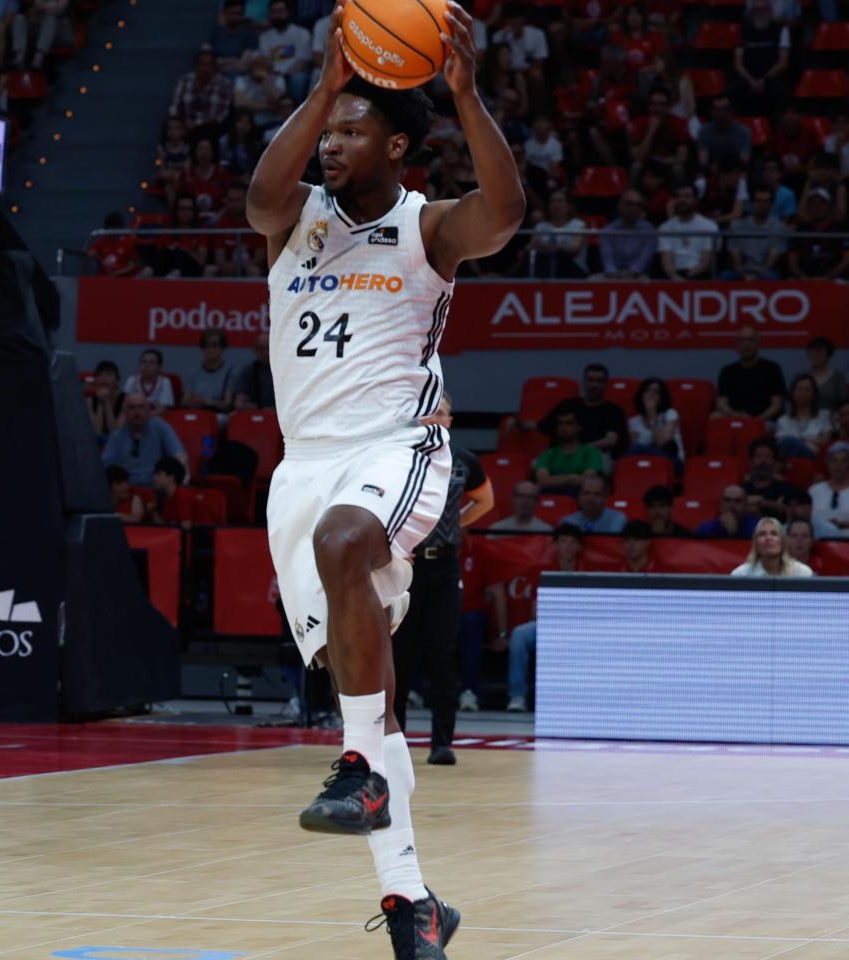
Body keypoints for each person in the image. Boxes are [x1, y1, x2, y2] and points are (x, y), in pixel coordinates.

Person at [245, 0, 523, 948]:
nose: (331, 144)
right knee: (358, 683)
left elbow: (506, 215)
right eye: (328, 131)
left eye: (351, 131)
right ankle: (413, 902)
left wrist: (467, 94)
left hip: (397, 444)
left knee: (344, 545)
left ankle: (360, 770)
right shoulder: (293, 221)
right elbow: (259, 198)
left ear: (398, 147)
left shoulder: (426, 227)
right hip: (305, 466)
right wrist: (326, 84)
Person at [390, 396, 491, 768]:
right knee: (400, 655)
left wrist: (452, 526)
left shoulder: (464, 461)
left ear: (450, 420)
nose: (434, 417)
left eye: (441, 412)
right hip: (407, 566)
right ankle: (394, 743)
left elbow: (485, 501)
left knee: (442, 654)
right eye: (428, 412)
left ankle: (442, 743)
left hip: (445, 567)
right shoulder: (400, 457)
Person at [503, 523, 584, 712]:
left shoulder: (587, 571)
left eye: (572, 542)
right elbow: (535, 611)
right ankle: (517, 696)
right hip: (549, 625)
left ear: (579, 547)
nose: (568, 546)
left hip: (578, 628)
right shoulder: (543, 572)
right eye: (563, 541)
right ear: (555, 545)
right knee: (520, 634)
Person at [101, 394, 187, 487]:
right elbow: (106, 465)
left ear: (148, 410)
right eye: (132, 408)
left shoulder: (160, 427)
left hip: (157, 488)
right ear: (125, 413)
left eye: (141, 407)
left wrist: (178, 481)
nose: (137, 412)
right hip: (128, 488)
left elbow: (179, 456)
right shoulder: (117, 436)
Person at [716, 326, 786, 419]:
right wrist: (736, 415)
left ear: (758, 344)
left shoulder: (772, 369)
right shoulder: (727, 372)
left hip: (765, 420)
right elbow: (721, 403)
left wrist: (757, 420)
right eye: (742, 340)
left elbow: (777, 404)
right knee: (714, 417)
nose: (746, 344)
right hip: (736, 419)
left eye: (751, 340)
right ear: (736, 345)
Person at [533, 410, 603, 494]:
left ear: (579, 427)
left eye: (569, 423)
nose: (563, 427)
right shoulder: (548, 453)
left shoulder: (591, 452)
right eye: (560, 423)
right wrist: (570, 478)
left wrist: (554, 480)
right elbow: (542, 481)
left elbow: (586, 480)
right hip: (552, 494)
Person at [627, 377, 684, 466]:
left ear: (661, 398)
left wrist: (652, 413)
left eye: (656, 392)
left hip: (671, 462)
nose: (651, 394)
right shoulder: (633, 421)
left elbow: (660, 443)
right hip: (644, 463)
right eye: (647, 391)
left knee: (637, 448)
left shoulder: (670, 414)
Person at [730, 515, 813, 576]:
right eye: (762, 534)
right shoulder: (740, 575)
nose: (768, 538)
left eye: (774, 534)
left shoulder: (802, 573)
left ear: (783, 541)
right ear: (756, 543)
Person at [183, 329, 239, 415]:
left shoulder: (230, 372)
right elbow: (184, 401)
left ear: (222, 348)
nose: (209, 349)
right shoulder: (193, 372)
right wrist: (192, 401)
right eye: (206, 345)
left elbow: (227, 404)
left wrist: (207, 402)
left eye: (214, 345)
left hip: (218, 415)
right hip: (196, 413)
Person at [560, 473, 626, 534]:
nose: (591, 499)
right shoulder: (568, 522)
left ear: (605, 497)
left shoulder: (617, 519)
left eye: (597, 494)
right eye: (586, 493)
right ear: (579, 496)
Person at [809, 442, 849, 539]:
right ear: (828, 464)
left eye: (843, 461)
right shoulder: (814, 491)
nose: (838, 465)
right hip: (818, 540)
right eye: (834, 460)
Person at [86, 360, 125, 443]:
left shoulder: (126, 401)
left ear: (117, 381)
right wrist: (100, 403)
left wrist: (107, 403)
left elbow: (115, 434)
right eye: (99, 375)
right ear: (95, 381)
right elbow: (96, 433)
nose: (103, 378)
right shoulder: (89, 401)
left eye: (109, 375)